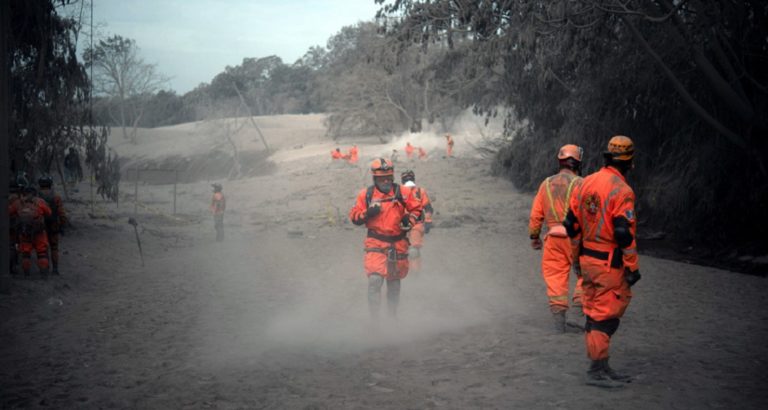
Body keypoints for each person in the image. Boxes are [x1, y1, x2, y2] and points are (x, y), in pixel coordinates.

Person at [564, 135, 641, 388]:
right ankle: (596, 370)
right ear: (629, 162)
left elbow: (571, 225)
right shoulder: (622, 190)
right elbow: (623, 233)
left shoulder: (584, 183)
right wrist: (632, 266)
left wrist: (576, 259)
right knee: (606, 316)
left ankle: (601, 365)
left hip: (587, 259)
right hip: (609, 263)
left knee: (593, 311)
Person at [349, 158, 423, 319]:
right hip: (376, 242)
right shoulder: (366, 195)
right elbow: (354, 218)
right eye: (382, 178)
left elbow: (418, 209)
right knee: (375, 279)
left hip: (398, 242)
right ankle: (374, 320)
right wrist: (368, 213)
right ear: (374, 178)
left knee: (394, 283)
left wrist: (408, 220)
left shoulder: (403, 192)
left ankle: (392, 317)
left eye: (389, 177)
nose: (386, 181)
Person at [529, 144, 584, 333]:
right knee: (585, 274)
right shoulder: (581, 184)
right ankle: (579, 313)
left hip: (552, 239)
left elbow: (536, 214)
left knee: (555, 279)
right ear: (577, 162)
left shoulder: (546, 184)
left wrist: (534, 237)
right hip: (575, 238)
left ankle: (559, 323)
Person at [8, 185, 52, 277]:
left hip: (24, 233)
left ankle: (26, 275)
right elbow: (49, 213)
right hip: (39, 232)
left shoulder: (18, 203)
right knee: (42, 253)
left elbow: (9, 212)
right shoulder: (40, 202)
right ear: (35, 193)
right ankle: (44, 274)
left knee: (25, 253)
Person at [400, 170, 433, 273]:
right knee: (401, 250)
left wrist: (427, 221)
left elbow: (428, 208)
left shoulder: (419, 192)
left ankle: (414, 273)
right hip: (402, 225)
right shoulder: (399, 192)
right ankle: (404, 271)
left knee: (413, 251)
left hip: (414, 225)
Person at [38, 176, 67, 275]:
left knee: (43, 248)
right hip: (54, 225)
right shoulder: (56, 197)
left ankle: (45, 268)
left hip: (41, 226)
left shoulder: (37, 197)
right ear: (50, 184)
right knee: (54, 248)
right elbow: (62, 213)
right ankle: (55, 269)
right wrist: (62, 226)